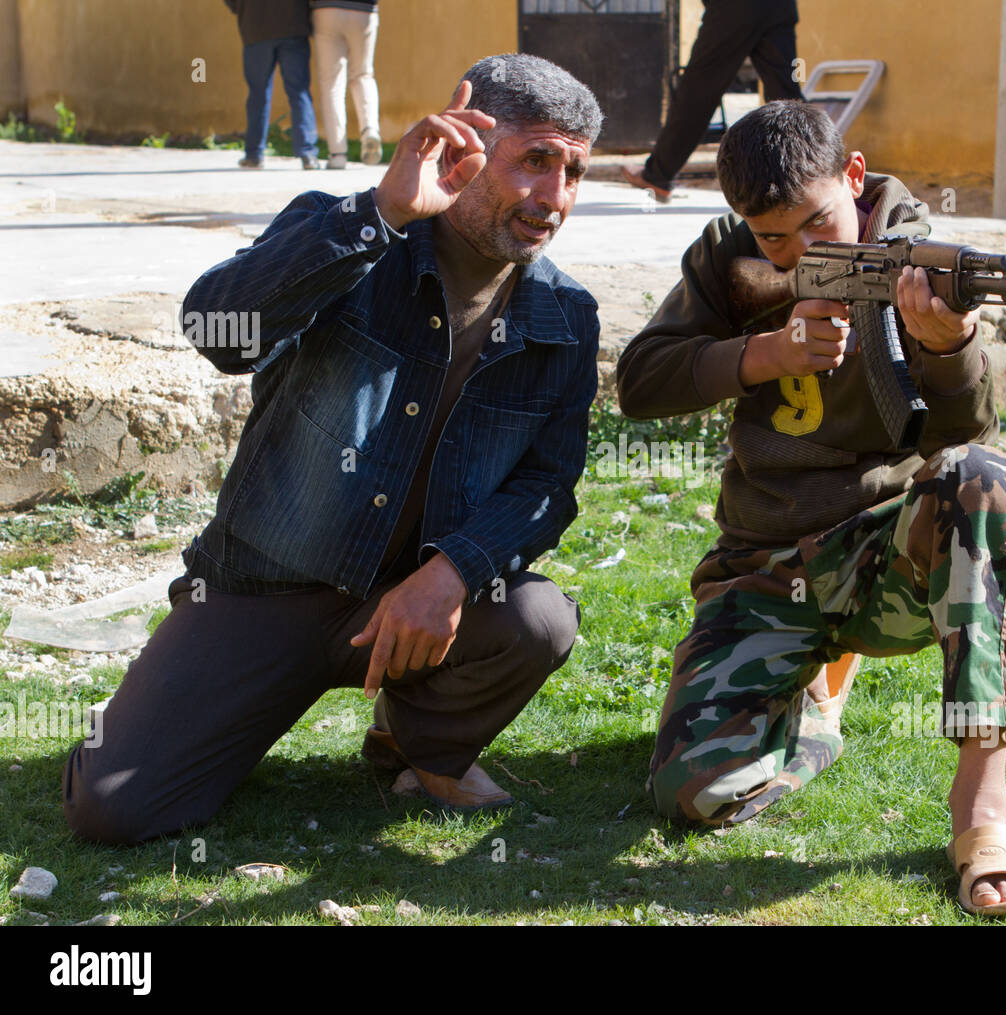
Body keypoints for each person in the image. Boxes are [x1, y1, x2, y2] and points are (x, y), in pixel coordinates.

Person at [62, 54, 603, 844]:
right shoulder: (353, 233)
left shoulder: (565, 314)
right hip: (260, 592)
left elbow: (549, 485)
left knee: (538, 618)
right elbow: (215, 329)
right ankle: (167, 698)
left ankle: (420, 744)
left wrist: (453, 571)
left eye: (574, 172)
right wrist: (381, 212)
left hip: (414, 608)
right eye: (535, 162)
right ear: (468, 142)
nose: (554, 198)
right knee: (112, 808)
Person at [616, 101, 1006, 917]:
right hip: (762, 564)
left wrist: (948, 349)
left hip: (886, 556)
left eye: (818, 223)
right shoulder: (728, 259)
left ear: (854, 178)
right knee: (692, 795)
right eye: (773, 237)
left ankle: (982, 808)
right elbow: (639, 381)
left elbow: (967, 433)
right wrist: (763, 352)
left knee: (985, 478)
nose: (800, 252)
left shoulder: (921, 256)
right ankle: (815, 704)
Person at [622, 0, 804, 202]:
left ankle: (658, 175)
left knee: (697, 90)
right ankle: (812, 174)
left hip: (734, 9)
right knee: (786, 94)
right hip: (779, 7)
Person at [225, 0, 321, 169]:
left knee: (258, 94)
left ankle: (254, 155)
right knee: (299, 91)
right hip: (293, 25)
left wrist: (243, 8)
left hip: (256, 27)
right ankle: (307, 154)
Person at [310, 0, 383, 169]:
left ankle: (338, 154)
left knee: (331, 83)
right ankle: (370, 130)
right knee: (363, 74)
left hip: (326, 10)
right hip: (364, 11)